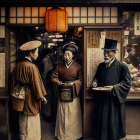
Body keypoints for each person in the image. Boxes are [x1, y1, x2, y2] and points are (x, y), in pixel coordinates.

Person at [91, 39, 131, 140]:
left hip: (114, 100)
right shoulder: (101, 66)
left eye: (109, 52)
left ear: (114, 52)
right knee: (101, 121)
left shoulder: (122, 66)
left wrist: (114, 88)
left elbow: (127, 83)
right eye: (105, 52)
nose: (106, 54)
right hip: (102, 99)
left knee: (113, 122)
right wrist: (95, 82)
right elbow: (96, 77)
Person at [11, 40, 47, 140]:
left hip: (19, 95)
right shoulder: (32, 67)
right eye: (37, 52)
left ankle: (23, 137)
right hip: (30, 95)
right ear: (31, 53)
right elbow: (36, 84)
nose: (38, 54)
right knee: (31, 117)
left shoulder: (18, 65)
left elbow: (13, 83)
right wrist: (41, 97)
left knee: (22, 117)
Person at [51, 41, 82, 140]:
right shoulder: (59, 66)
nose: (66, 56)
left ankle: (73, 135)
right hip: (62, 91)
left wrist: (73, 83)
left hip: (72, 93)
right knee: (62, 114)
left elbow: (80, 80)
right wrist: (57, 82)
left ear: (72, 55)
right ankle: (62, 135)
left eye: (69, 54)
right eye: (65, 54)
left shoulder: (78, 67)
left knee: (73, 115)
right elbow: (53, 78)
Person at [40, 47, 55, 122]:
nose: (54, 53)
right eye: (52, 52)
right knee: (47, 97)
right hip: (46, 81)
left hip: (46, 81)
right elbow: (45, 73)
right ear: (49, 53)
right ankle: (47, 114)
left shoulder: (47, 59)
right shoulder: (46, 60)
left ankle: (46, 113)